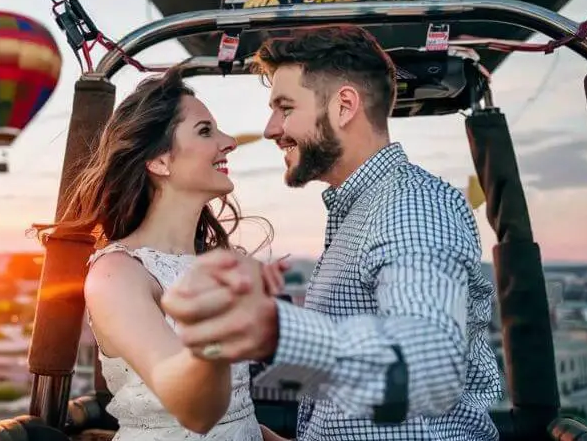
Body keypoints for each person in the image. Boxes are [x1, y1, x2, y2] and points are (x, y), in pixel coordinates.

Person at [161, 25, 503, 441]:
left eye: (285, 108)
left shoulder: (411, 205)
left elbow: (429, 365)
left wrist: (274, 329)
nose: (270, 129)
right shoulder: (360, 210)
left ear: (344, 106)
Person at [51, 67, 287, 440]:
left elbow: (235, 415)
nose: (229, 141)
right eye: (205, 131)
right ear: (159, 162)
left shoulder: (213, 261)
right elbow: (195, 410)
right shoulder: (117, 274)